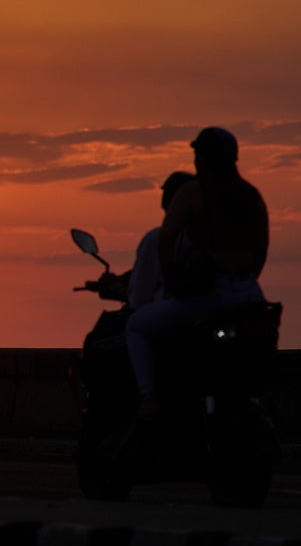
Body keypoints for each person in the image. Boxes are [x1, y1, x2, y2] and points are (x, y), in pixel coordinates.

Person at [126, 127, 269, 413]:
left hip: (209, 294)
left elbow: (166, 239)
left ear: (203, 158)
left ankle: (149, 398)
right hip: (249, 294)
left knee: (136, 326)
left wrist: (171, 280)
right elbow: (261, 251)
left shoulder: (194, 192)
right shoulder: (251, 195)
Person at [100, 171, 196, 310]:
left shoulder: (157, 238)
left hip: (176, 312)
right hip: (216, 307)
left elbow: (139, 298)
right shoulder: (215, 235)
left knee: (133, 328)